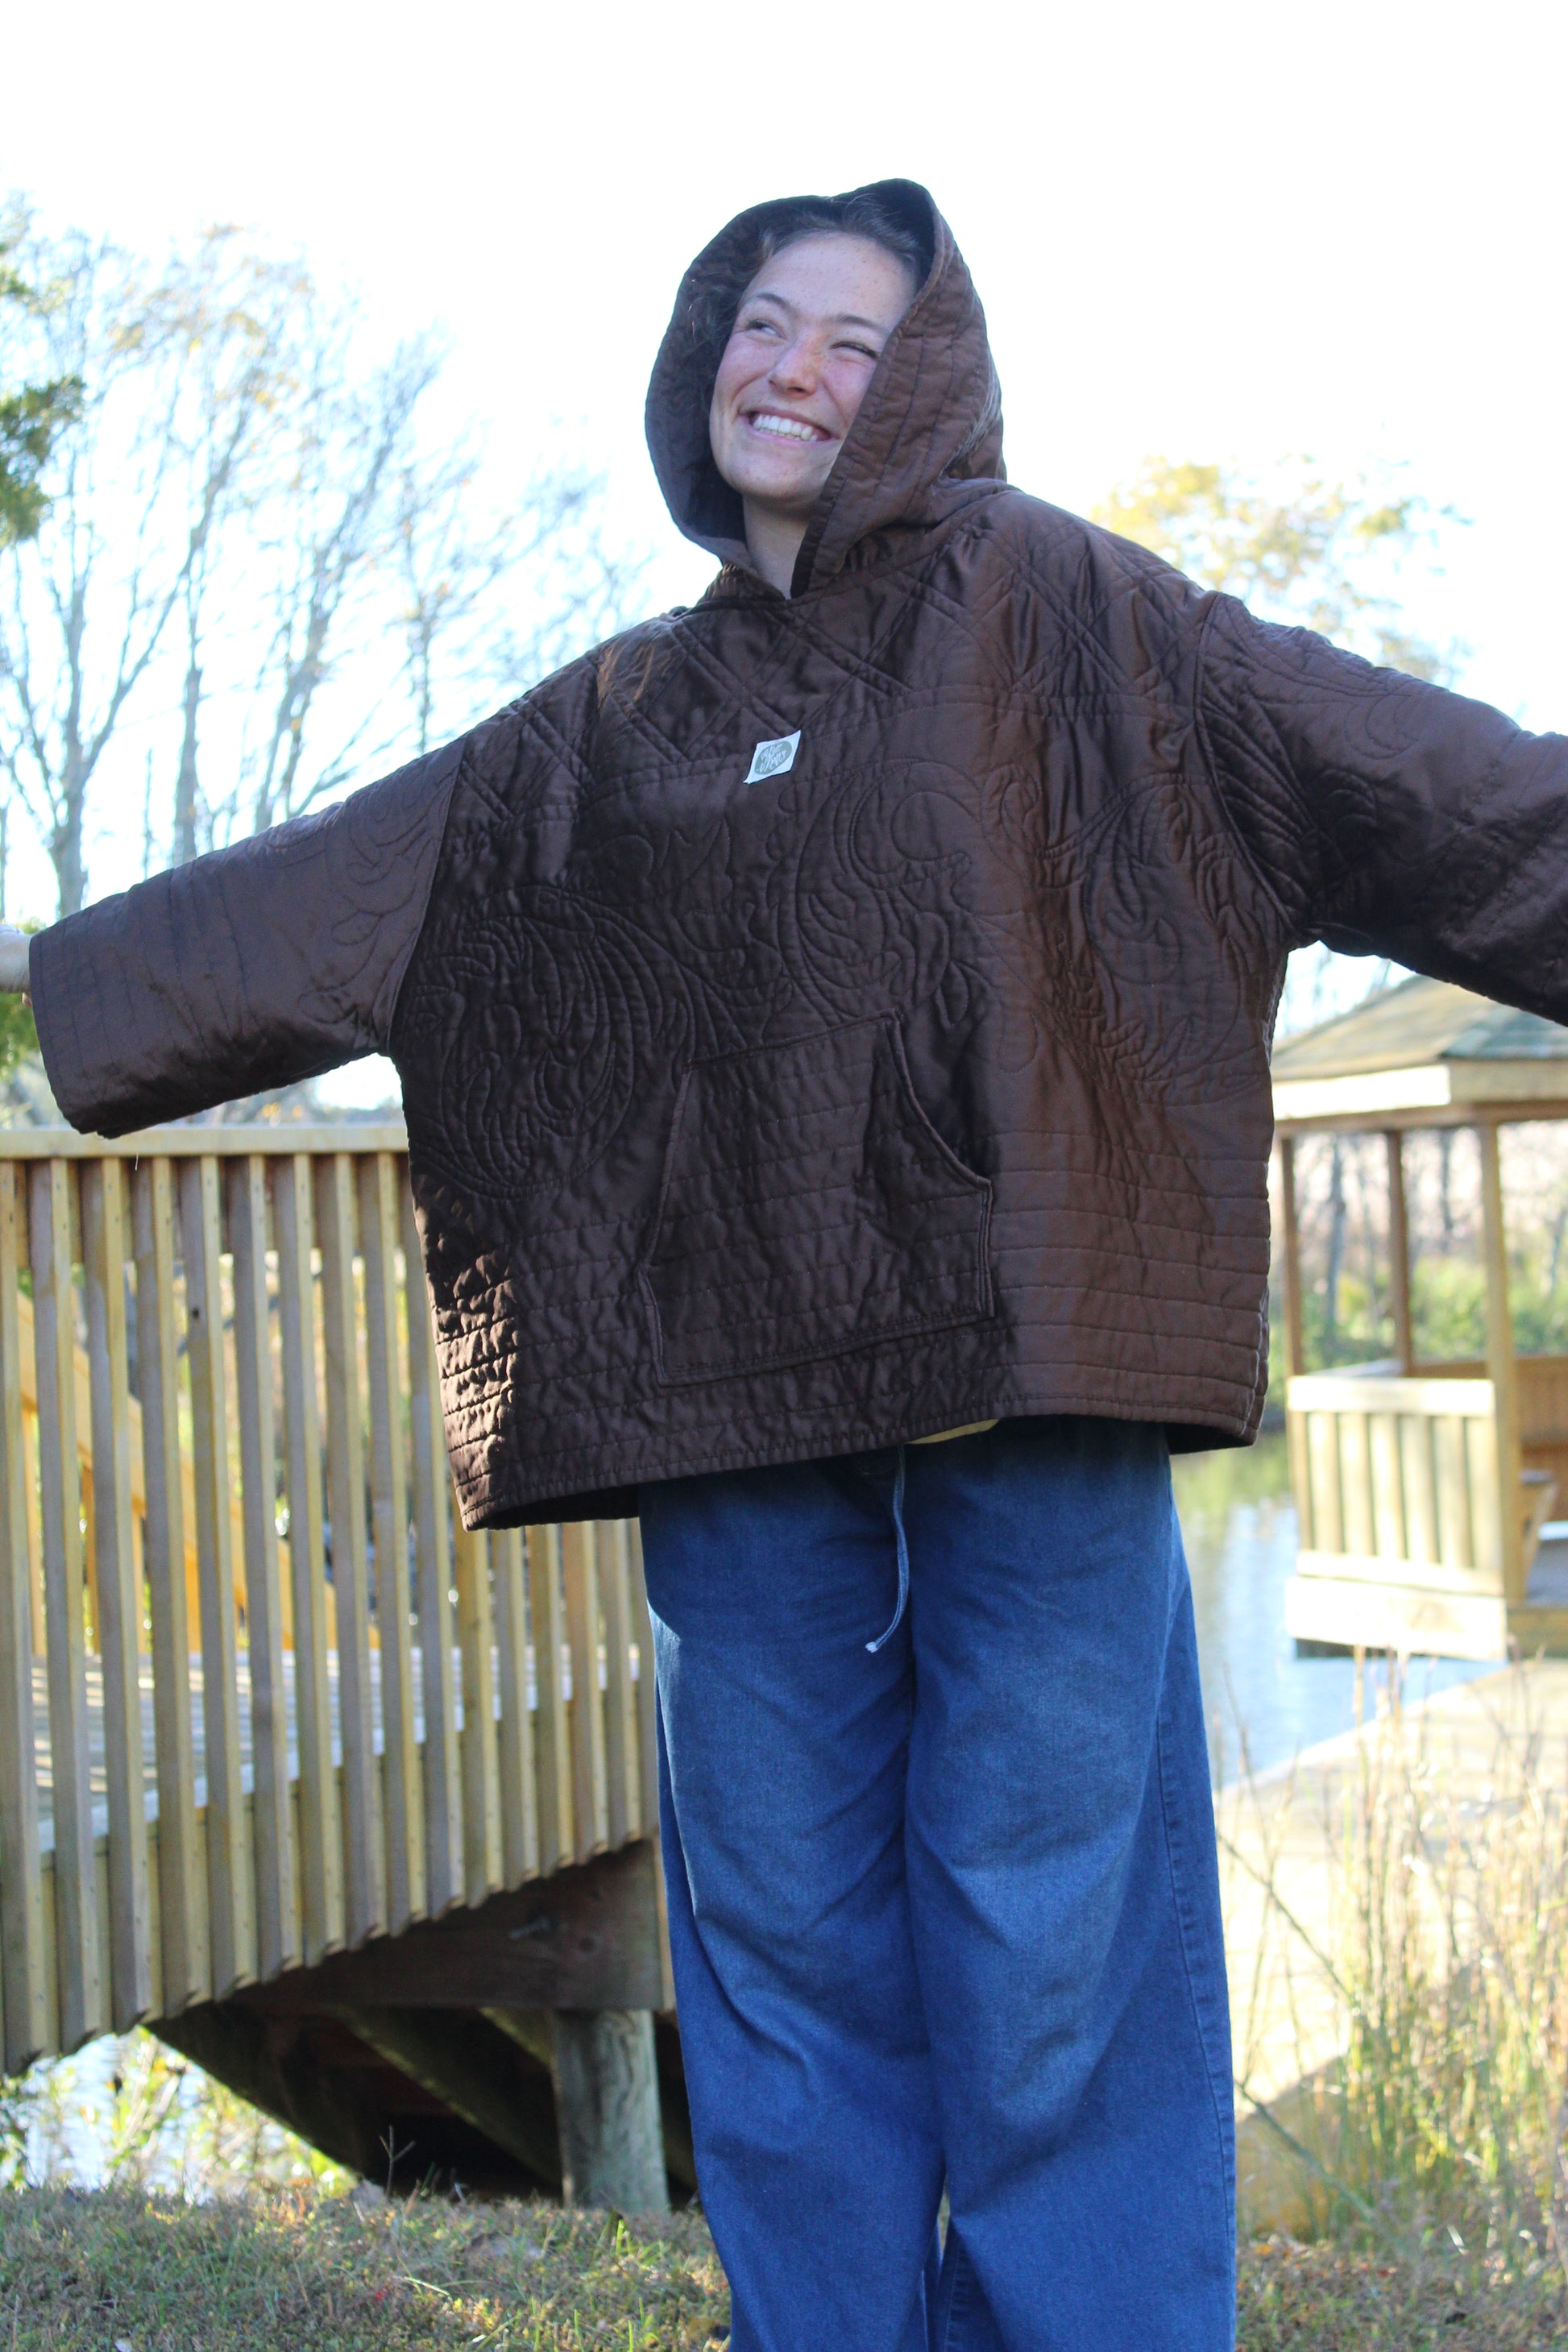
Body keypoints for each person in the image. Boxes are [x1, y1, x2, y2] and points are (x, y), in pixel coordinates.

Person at [5, 176, 1567, 2351]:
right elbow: (312, 907)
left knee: (1048, 1925)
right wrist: (43, 1004)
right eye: (762, 316)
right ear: (695, 352)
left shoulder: (1078, 612)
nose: (794, 364)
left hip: (1033, 1366)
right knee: (779, 1925)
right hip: (722, 1391)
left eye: (852, 335)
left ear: (927, 380)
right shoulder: (606, 724)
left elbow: (1440, 793)